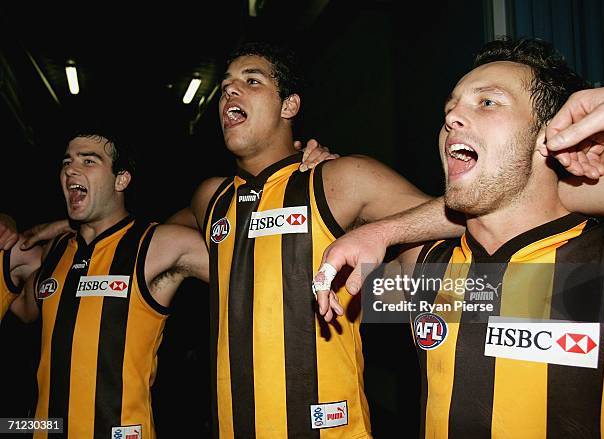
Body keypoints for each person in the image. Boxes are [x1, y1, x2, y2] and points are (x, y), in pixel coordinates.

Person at [315, 37, 604, 438]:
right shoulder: (423, 268)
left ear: (551, 133)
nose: (452, 116)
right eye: (449, 108)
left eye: (487, 102)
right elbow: (311, 302)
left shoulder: (601, 261)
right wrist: (311, 180)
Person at [158, 41, 438, 438]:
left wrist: (385, 233)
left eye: (251, 81)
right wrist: (70, 230)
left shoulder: (340, 179)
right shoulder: (211, 198)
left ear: (289, 106)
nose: (230, 93)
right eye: (225, 87)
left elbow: (458, 216)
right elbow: (142, 245)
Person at [10, 129, 212, 439]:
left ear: (121, 180)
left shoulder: (156, 245)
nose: (70, 170)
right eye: (67, 162)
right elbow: (25, 309)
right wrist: (8, 225)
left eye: (89, 161)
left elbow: (223, 219)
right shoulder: (56, 250)